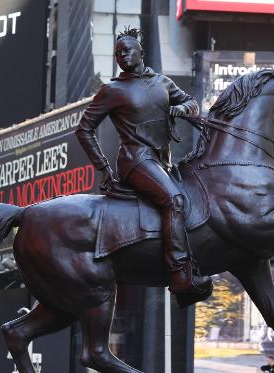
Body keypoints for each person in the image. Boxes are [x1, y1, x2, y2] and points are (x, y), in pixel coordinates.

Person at [76, 27, 211, 306]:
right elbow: (84, 129)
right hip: (135, 161)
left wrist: (183, 109)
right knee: (174, 199)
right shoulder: (112, 90)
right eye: (117, 53)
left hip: (162, 161)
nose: (122, 55)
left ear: (141, 51)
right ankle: (180, 275)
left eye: (127, 50)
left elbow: (191, 102)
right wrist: (103, 168)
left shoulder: (162, 82)